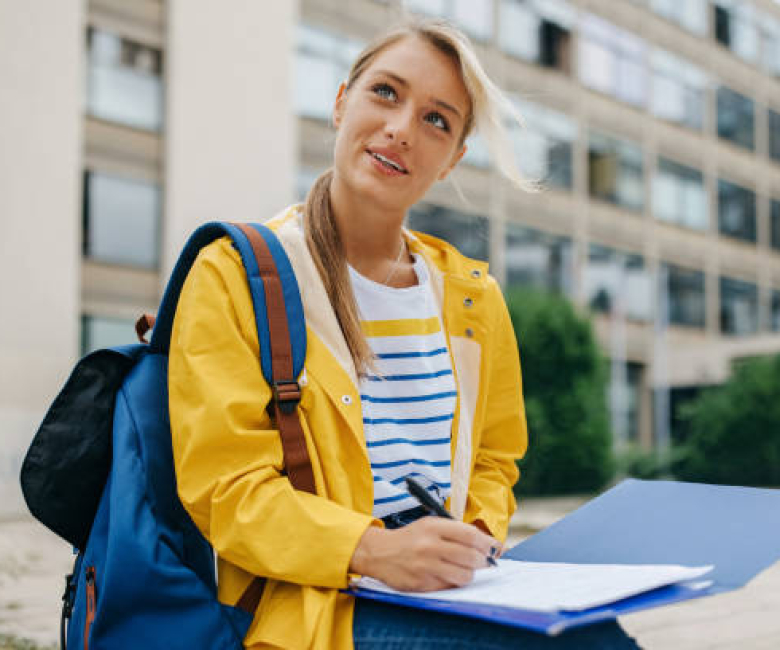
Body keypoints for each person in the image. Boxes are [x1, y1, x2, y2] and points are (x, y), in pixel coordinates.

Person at [168, 18, 641, 650]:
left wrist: (466, 538)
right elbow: (225, 492)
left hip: (449, 590)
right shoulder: (235, 274)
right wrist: (373, 549)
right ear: (341, 103)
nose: (401, 129)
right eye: (386, 93)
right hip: (313, 606)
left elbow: (496, 460)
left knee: (599, 637)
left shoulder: (473, 297)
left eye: (437, 120)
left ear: (453, 161)